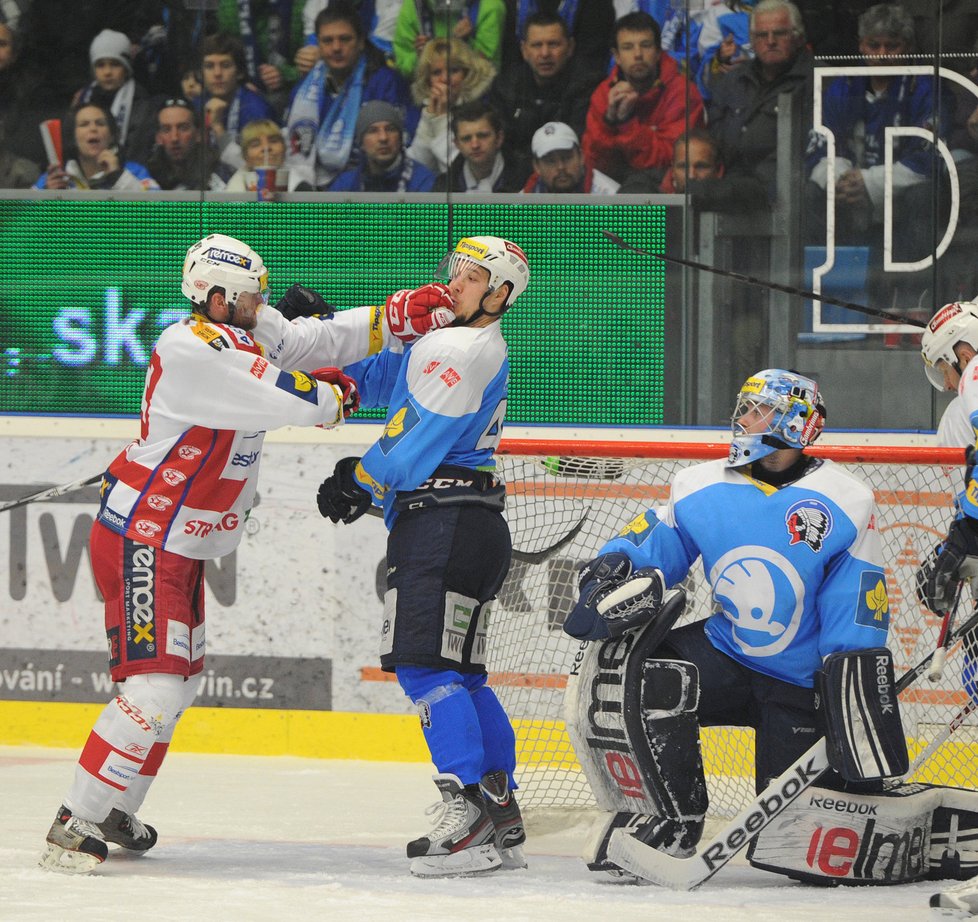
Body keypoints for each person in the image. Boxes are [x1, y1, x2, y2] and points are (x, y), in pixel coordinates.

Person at [38, 232, 450, 874]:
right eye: (254, 298)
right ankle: (76, 818)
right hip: (145, 536)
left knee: (176, 685)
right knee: (153, 688)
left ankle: (114, 804)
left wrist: (389, 316)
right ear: (218, 296)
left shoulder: (240, 330)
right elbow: (300, 394)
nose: (264, 308)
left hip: (173, 541)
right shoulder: (192, 346)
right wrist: (334, 392)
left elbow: (311, 341)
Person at [562, 369, 893, 877]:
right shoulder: (699, 485)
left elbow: (856, 602)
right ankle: (673, 818)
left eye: (758, 410)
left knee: (790, 849)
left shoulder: (847, 499)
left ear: (796, 423)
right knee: (650, 671)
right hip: (728, 653)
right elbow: (656, 545)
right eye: (743, 407)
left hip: (801, 683)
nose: (742, 419)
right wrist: (615, 563)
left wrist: (845, 683)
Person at [316, 236, 530, 877]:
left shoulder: (466, 348)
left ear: (500, 295)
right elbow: (384, 377)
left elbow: (414, 440)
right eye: (453, 272)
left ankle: (467, 811)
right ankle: (499, 807)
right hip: (469, 524)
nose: (453, 284)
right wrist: (326, 340)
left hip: (441, 526)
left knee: (422, 667)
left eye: (470, 278)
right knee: (462, 674)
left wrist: (362, 477)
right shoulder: (450, 342)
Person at [804, 4, 950, 275]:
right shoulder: (843, 85)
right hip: (849, 193)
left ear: (907, 47)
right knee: (810, 192)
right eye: (874, 45)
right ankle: (823, 289)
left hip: (903, 195)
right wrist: (840, 179)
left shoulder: (926, 87)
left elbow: (929, 157)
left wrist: (870, 182)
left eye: (891, 46)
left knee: (923, 196)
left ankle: (912, 297)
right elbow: (821, 143)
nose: (882, 55)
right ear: (861, 45)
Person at [285, 2, 415, 190]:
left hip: (370, 188)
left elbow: (402, 144)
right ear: (318, 45)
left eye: (345, 39)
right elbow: (292, 147)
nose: (336, 47)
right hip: (311, 190)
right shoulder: (303, 90)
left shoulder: (385, 82)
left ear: (361, 42)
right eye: (327, 41)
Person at [707, 0, 813, 202]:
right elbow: (714, 136)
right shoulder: (733, 81)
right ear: (752, 41)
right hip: (727, 187)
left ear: (798, 38)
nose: (770, 41)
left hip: (784, 196)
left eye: (780, 33)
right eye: (762, 35)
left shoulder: (817, 81)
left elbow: (806, 150)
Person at [582, 11, 704, 185]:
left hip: (664, 190)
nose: (638, 54)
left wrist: (627, 123)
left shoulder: (682, 92)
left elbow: (671, 162)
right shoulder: (604, 93)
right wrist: (608, 122)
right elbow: (593, 164)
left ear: (657, 52)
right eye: (628, 47)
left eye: (645, 45)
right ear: (616, 56)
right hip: (611, 189)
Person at [487, 11, 604, 165]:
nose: (545, 53)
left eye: (553, 44)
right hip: (513, 175)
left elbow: (577, 142)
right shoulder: (505, 85)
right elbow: (499, 143)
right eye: (536, 45)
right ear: (524, 50)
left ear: (570, 47)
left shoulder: (588, 85)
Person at [406, 37, 495, 176]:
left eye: (453, 70)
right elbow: (419, 165)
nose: (445, 79)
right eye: (436, 73)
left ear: (466, 74)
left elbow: (459, 168)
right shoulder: (424, 109)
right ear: (428, 79)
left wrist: (441, 119)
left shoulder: (483, 106)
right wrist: (429, 116)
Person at [73, 29, 157, 166]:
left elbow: (138, 155)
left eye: (115, 64)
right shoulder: (83, 100)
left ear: (126, 68)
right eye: (100, 65)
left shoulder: (143, 106)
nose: (107, 72)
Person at [197, 32, 278, 173]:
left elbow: (258, 168)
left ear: (240, 72)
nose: (217, 73)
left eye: (225, 65)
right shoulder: (197, 104)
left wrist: (218, 128)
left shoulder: (256, 109)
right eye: (209, 66)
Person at [34, 102, 160, 191]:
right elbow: (21, 222)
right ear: (73, 137)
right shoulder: (54, 179)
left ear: (112, 136)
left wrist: (118, 177)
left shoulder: (135, 172)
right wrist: (46, 200)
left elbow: (157, 216)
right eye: (84, 124)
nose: (93, 128)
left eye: (100, 123)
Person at [328, 100, 436, 191]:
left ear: (401, 138)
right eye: (373, 131)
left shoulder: (423, 182)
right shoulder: (346, 184)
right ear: (361, 143)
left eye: (390, 129)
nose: (383, 138)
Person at [392, 0, 507, 80]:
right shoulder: (414, 5)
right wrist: (421, 59)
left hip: (474, 99)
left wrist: (465, 45)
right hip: (425, 94)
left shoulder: (490, 6)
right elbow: (403, 64)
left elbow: (487, 70)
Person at [433, 99, 530, 193]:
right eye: (466, 139)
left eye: (483, 136)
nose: (475, 145)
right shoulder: (444, 187)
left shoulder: (527, 179)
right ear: (457, 144)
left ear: (499, 138)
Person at [147, 97, 235, 191]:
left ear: (199, 134)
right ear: (158, 138)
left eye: (183, 128)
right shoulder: (146, 176)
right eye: (166, 129)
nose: (174, 138)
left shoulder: (218, 174)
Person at [522, 121, 619, 194]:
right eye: (551, 161)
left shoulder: (611, 198)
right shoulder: (521, 206)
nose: (560, 167)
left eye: (567, 158)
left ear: (581, 157)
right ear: (537, 167)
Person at [224, 118, 290, 192]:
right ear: (245, 156)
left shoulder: (300, 183)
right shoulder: (233, 191)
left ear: (284, 148)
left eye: (273, 141)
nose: (266, 148)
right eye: (256, 144)